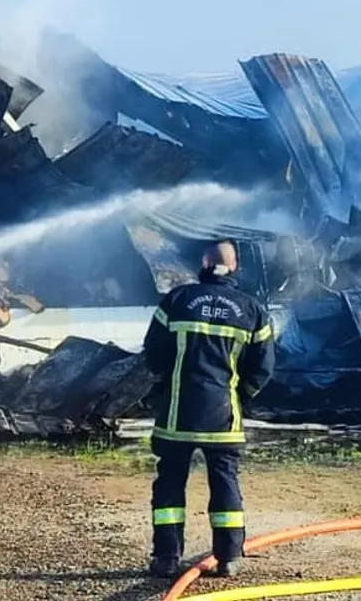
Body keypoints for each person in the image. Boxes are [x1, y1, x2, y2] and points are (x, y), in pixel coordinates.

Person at [142, 239, 276, 579]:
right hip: (223, 419)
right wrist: (239, 396)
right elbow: (262, 368)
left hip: (177, 417)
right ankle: (229, 558)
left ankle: (166, 558)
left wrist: (167, 386)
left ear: (203, 264)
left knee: (170, 486)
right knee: (225, 483)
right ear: (236, 268)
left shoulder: (177, 301)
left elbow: (153, 353)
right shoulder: (252, 309)